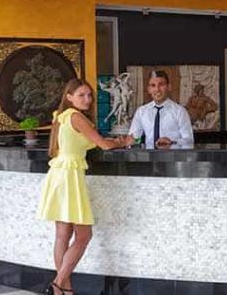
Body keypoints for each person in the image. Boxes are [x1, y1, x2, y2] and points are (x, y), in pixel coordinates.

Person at [37, 79, 133, 295]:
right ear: (69, 97)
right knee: (83, 236)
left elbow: (85, 142)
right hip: (69, 176)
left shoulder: (61, 116)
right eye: (81, 95)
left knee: (62, 235)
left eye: (89, 95)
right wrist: (123, 141)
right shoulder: (77, 117)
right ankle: (57, 284)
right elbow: (104, 144)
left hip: (59, 174)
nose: (87, 99)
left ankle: (65, 290)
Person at [128, 70, 195, 149]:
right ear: (149, 89)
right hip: (149, 156)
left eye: (161, 85)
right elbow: (133, 139)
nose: (157, 89)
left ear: (169, 87)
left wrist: (172, 142)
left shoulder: (180, 111)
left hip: (173, 156)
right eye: (153, 85)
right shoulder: (141, 112)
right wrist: (129, 142)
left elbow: (189, 141)